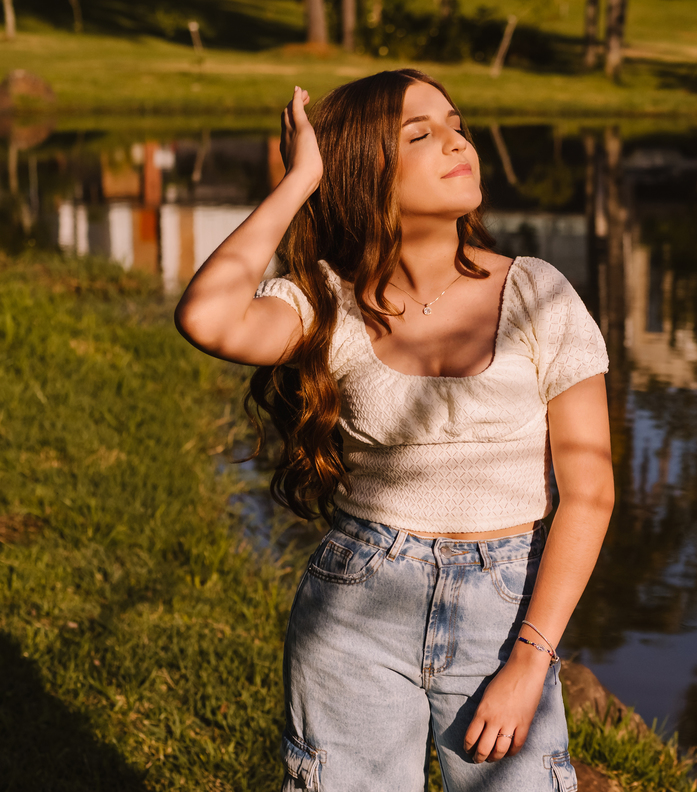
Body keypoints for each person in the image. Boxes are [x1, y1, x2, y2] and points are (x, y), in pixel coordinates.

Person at [174, 70, 614, 792]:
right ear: (364, 172)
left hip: (503, 613)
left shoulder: (539, 294)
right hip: (357, 603)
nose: (457, 142)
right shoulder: (328, 301)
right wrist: (298, 181)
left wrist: (532, 658)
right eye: (421, 135)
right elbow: (207, 318)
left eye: (456, 124)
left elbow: (590, 493)